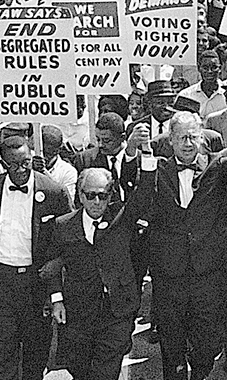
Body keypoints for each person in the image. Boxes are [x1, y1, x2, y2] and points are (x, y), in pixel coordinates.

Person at [127, 112, 227, 380]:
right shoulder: (156, 168)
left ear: (202, 138)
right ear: (170, 141)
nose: (188, 143)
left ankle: (199, 370)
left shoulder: (218, 166)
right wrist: (133, 149)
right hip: (169, 274)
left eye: (193, 137)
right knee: (171, 341)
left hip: (207, 273)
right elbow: (130, 182)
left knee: (208, 343)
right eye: (181, 138)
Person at [0, 136, 70, 380]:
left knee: (36, 350)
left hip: (37, 282)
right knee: (4, 347)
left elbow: (71, 232)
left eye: (26, 162)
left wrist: (58, 262)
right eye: (13, 165)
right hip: (0, 281)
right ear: (3, 163)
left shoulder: (53, 190)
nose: (21, 170)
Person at [44, 163, 152, 380]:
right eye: (90, 195)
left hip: (117, 311)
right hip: (79, 312)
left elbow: (145, 192)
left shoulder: (121, 218)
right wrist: (57, 300)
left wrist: (145, 154)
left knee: (106, 372)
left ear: (110, 195)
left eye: (102, 196)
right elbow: (51, 267)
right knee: (80, 370)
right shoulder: (63, 225)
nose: (96, 202)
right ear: (80, 196)